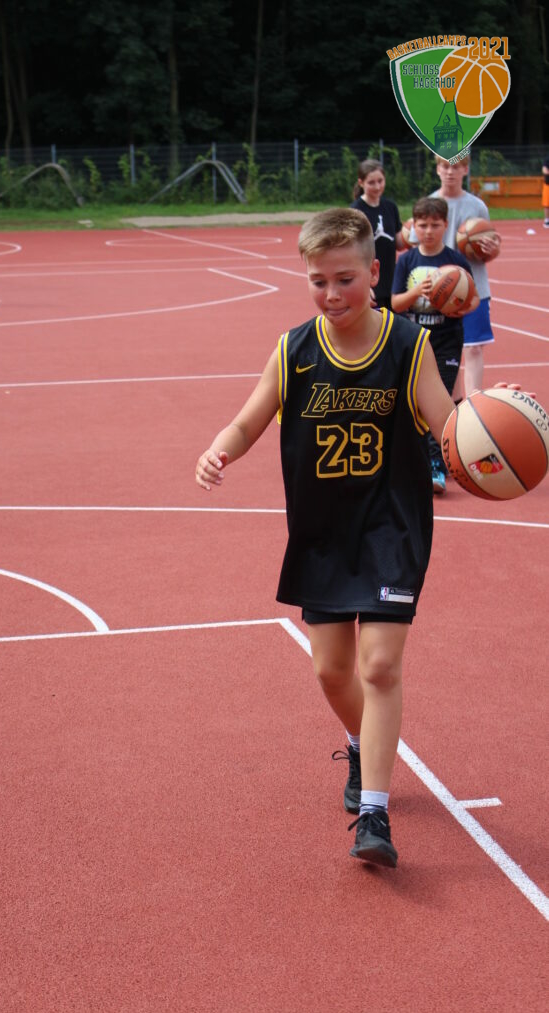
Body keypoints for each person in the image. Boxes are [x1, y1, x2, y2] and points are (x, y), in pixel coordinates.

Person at [195, 208, 457, 869]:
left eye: (345, 279)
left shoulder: (407, 346)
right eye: (318, 281)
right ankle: (362, 744)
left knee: (379, 665)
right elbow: (248, 420)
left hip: (391, 527)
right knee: (331, 670)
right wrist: (219, 449)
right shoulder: (293, 351)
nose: (332, 294)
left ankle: (374, 813)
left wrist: (492, 424)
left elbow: (451, 430)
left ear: (374, 273)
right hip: (322, 532)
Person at [391, 196, 479, 494]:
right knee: (411, 402)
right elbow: (396, 303)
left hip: (446, 340)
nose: (428, 231)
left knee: (438, 400)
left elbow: (473, 299)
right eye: (423, 225)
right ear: (413, 226)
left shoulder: (456, 261)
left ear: (445, 225)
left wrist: (459, 307)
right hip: (414, 342)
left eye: (435, 225)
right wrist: (417, 290)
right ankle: (416, 459)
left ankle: (436, 463)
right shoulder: (407, 261)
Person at [431, 155, 500, 396]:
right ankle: (451, 404)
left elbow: (489, 246)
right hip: (440, 288)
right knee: (444, 352)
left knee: (473, 348)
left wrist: (491, 248)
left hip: (473, 287)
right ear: (437, 169)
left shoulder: (477, 206)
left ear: (465, 170)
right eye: (445, 166)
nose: (450, 172)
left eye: (456, 167)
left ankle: (473, 403)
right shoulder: (430, 203)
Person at [350, 158, 406, 311]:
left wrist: (413, 233)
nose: (377, 186)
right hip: (371, 281)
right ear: (361, 183)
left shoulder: (390, 207)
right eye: (371, 182)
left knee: (394, 323)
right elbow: (352, 252)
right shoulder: (356, 211)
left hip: (391, 280)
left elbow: (399, 244)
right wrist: (363, 285)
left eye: (380, 181)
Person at [542, 157, 549, 228]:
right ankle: (547, 221)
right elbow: (544, 170)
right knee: (547, 203)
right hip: (548, 184)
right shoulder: (547, 159)